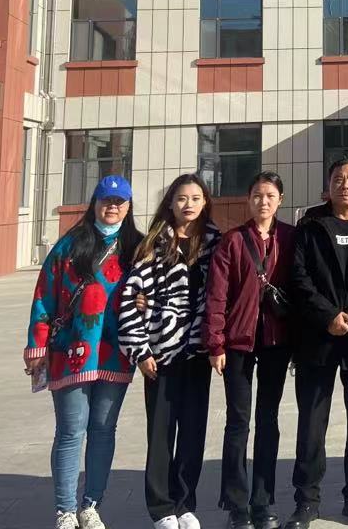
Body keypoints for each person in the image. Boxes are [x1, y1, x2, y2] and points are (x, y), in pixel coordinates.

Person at [25, 174, 144, 529]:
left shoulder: (137, 247)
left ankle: (91, 505)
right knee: (70, 430)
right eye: (106, 200)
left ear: (128, 206)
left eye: (119, 202)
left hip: (115, 351)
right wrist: (37, 343)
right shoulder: (70, 245)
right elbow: (44, 295)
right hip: (71, 350)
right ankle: (65, 509)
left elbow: (153, 289)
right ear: (95, 203)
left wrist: (147, 303)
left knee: (104, 430)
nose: (112, 207)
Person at [118, 174, 222, 529]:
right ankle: (161, 507)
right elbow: (131, 298)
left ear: (205, 203)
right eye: (181, 198)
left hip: (197, 352)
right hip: (160, 355)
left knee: (193, 431)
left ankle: (185, 503)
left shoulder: (216, 243)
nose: (188, 204)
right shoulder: (154, 244)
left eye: (195, 198)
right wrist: (140, 350)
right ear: (170, 203)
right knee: (161, 433)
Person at [286, 160, 348, 529]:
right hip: (317, 337)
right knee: (312, 421)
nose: (346, 184)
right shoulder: (310, 224)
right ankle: (307, 500)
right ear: (328, 185)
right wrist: (328, 315)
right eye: (339, 178)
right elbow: (299, 277)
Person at [205, 171, 295, 529]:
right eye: (257, 195)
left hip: (276, 341)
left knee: (268, 420)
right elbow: (217, 295)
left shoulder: (290, 237)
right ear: (248, 199)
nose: (263, 201)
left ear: (280, 200)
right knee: (238, 422)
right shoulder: (232, 241)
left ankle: (263, 500)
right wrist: (215, 342)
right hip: (238, 343)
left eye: (270, 195)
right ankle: (237, 503)